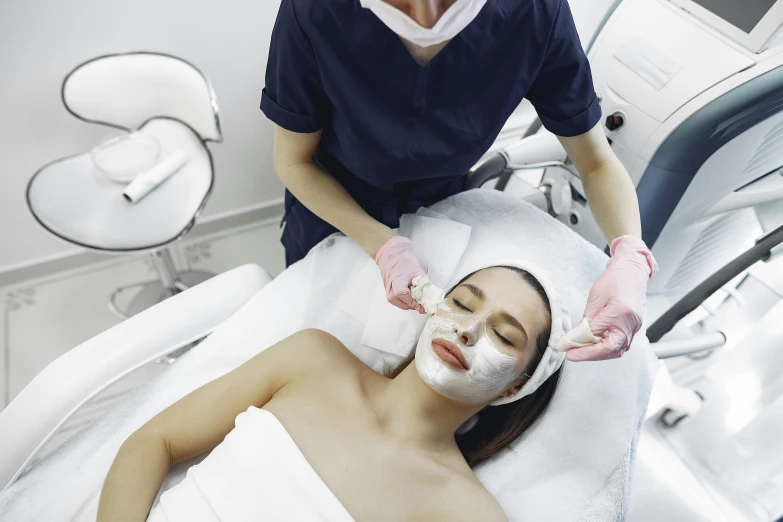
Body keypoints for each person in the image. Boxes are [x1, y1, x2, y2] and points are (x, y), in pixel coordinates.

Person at [262, 0, 658, 362]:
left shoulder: (535, 13)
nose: (426, 15)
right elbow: (295, 162)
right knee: (313, 335)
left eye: (504, 336)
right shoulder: (315, 11)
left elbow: (595, 163)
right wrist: (381, 244)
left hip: (442, 210)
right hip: (331, 207)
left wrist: (631, 259)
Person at [97, 263, 564, 521]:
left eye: (504, 336)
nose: (468, 330)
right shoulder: (311, 360)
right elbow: (152, 443)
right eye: (462, 303)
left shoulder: (468, 513)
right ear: (431, 310)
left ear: (515, 387)